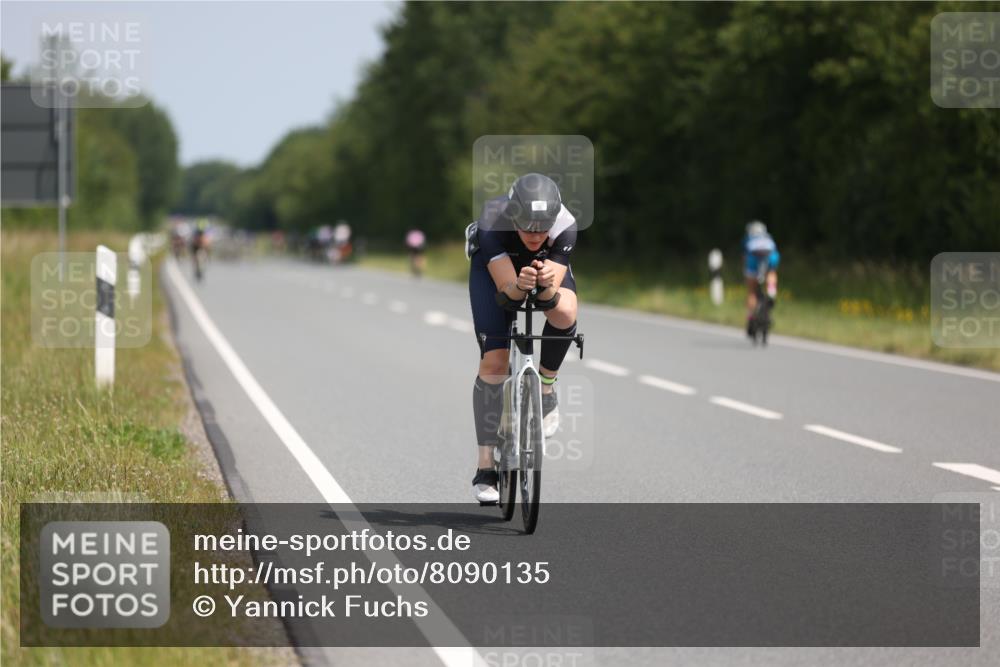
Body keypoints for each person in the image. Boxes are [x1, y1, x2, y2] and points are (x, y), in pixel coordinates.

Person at [467, 173, 579, 503]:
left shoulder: (565, 226)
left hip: (543, 267)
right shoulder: (492, 221)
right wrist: (520, 285)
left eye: (542, 227)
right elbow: (508, 296)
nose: (535, 234)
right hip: (495, 270)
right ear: (513, 215)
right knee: (495, 362)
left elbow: (551, 303)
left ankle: (546, 388)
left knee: (566, 312)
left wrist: (544, 285)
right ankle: (485, 465)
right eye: (527, 226)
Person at [742, 220, 780, 335]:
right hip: (770, 255)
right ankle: (771, 292)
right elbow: (775, 251)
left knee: (751, 292)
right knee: (771, 272)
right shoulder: (768, 237)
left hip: (753, 258)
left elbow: (744, 256)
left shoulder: (748, 238)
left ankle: (750, 318)